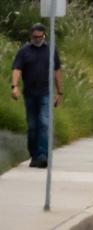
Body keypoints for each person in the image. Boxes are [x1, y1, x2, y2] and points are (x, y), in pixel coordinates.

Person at [10, 23, 62, 169]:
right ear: (31, 35)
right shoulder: (24, 51)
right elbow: (16, 69)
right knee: (32, 127)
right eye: (35, 37)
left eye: (40, 37)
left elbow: (57, 71)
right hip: (30, 94)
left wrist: (60, 92)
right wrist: (14, 86)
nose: (37, 39)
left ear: (44, 35)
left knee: (44, 123)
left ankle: (42, 155)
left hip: (46, 93)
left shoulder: (51, 50)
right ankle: (34, 155)